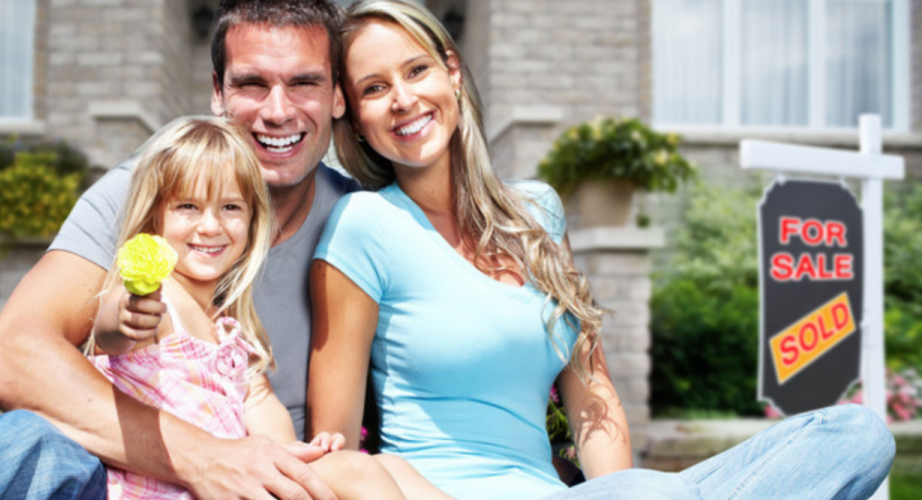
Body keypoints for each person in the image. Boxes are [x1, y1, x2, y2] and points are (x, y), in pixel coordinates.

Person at [307, 1, 896, 500]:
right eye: (375, 89)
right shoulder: (365, 225)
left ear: (453, 72)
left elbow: (593, 396)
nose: (404, 99)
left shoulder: (538, 212)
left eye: (416, 71)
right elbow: (337, 459)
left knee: (857, 436)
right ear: (356, 121)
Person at [0, 1, 357, 499]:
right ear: (218, 93)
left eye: (303, 83)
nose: (277, 111)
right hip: (123, 478)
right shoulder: (150, 186)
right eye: (252, 83)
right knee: (37, 444)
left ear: (337, 96)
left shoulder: (359, 220)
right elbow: (10, 360)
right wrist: (202, 458)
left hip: (260, 480)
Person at [84, 116, 446, 500]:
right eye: (188, 206)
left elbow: (266, 420)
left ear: (252, 219)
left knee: (391, 467)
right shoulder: (157, 298)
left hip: (230, 485)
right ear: (155, 216)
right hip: (167, 489)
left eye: (229, 207)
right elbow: (109, 336)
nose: (210, 226)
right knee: (356, 471)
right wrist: (126, 317)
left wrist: (302, 455)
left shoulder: (230, 331)